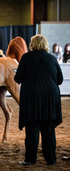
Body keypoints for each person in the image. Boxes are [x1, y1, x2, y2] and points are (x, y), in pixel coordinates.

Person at [14, 34, 63, 165]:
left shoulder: (26, 58)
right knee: (48, 129)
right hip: (50, 97)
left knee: (32, 128)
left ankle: (30, 159)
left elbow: (17, 79)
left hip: (32, 97)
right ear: (46, 44)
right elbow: (60, 80)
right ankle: (51, 159)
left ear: (32, 45)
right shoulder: (52, 58)